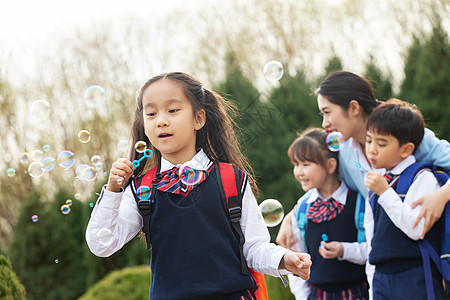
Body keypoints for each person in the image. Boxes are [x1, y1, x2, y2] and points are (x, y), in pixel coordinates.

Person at [85, 72, 311, 300]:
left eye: (173, 110)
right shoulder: (141, 188)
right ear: (143, 124)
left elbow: (254, 248)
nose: (161, 120)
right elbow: (101, 243)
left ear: (199, 119)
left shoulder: (230, 179)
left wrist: (284, 259)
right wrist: (114, 191)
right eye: (151, 113)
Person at [276, 70, 450, 295]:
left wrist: (442, 195)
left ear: (354, 108)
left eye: (327, 112)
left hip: (421, 264)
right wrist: (290, 218)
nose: (324, 123)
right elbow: (328, 187)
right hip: (380, 272)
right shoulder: (346, 154)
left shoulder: (404, 130)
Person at [364, 99, 447, 299]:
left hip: (414, 273)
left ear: (406, 149)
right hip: (381, 277)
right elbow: (371, 239)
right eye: (368, 140)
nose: (372, 149)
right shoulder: (379, 182)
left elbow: (416, 228)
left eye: (381, 143)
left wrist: (385, 193)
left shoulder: (423, 177)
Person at [287, 127, 368, 300]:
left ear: (330, 165)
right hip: (317, 294)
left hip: (356, 293)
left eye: (305, 164)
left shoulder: (358, 202)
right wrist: (303, 297)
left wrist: (343, 250)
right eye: (296, 165)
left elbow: (372, 251)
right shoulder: (302, 209)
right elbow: (296, 259)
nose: (298, 172)